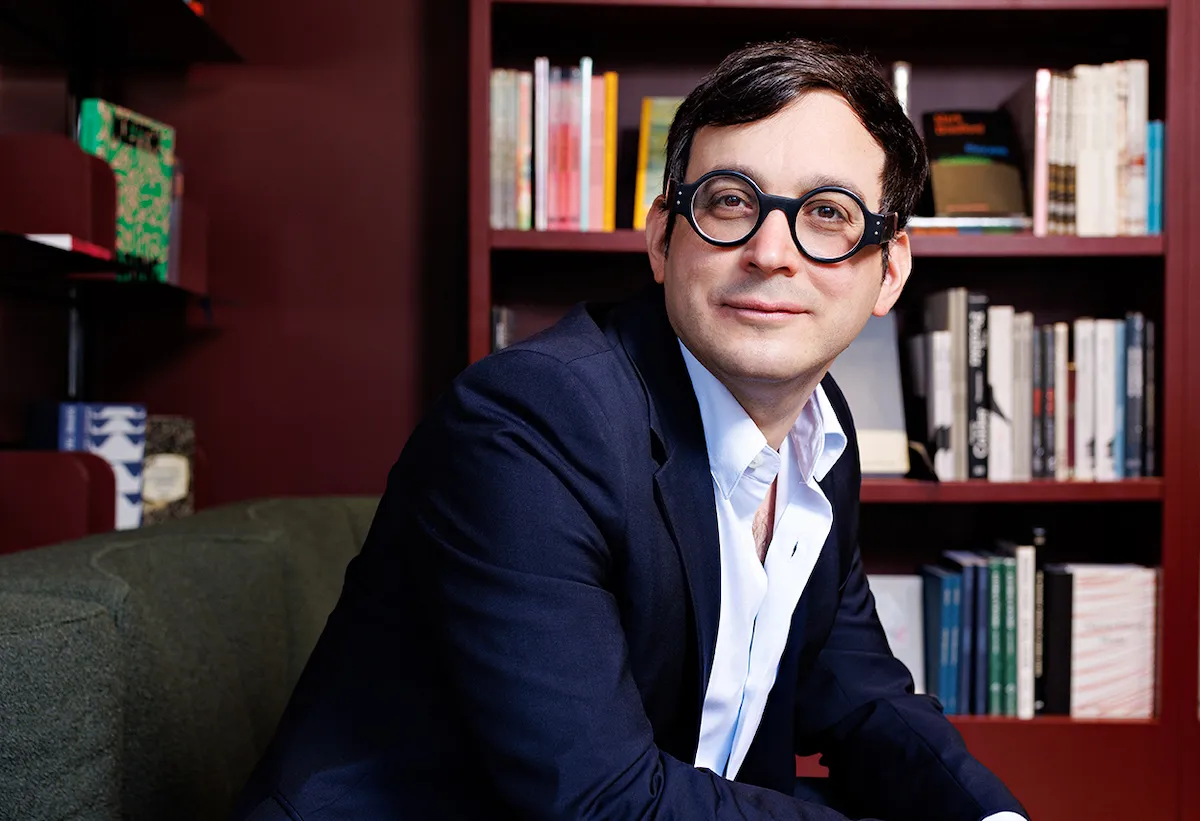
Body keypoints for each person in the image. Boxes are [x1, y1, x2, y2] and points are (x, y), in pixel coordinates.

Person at [230, 37, 1028, 821]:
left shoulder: (819, 431)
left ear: (889, 268)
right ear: (660, 239)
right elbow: (597, 798)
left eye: (828, 213)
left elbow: (857, 694)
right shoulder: (533, 423)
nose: (771, 251)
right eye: (730, 201)